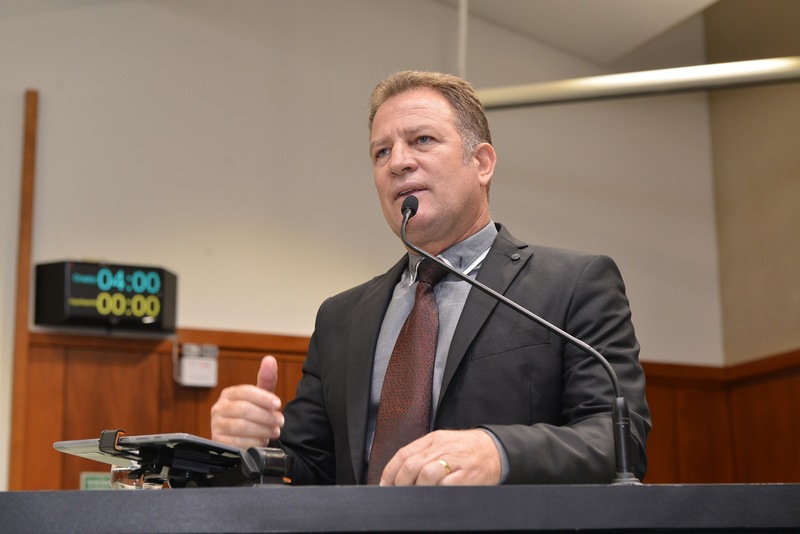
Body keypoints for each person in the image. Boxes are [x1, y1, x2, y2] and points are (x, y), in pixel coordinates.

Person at [210, 70, 651, 486]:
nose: (398, 162)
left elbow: (618, 440)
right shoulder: (340, 318)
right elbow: (311, 469)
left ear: (482, 163)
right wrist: (249, 447)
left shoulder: (573, 285)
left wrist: (498, 452)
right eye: (381, 152)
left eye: (422, 140)